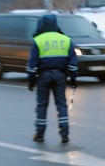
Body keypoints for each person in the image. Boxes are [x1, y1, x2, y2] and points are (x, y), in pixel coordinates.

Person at [26, 14, 78, 143]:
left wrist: (31, 80)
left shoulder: (38, 40)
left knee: (42, 105)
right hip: (60, 75)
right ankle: (64, 134)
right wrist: (73, 79)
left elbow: (32, 64)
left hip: (43, 76)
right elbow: (72, 63)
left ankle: (40, 134)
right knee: (61, 105)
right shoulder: (66, 39)